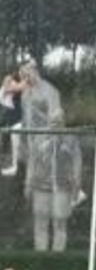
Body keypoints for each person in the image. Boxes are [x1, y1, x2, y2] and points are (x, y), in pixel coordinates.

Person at [20, 61, 83, 252]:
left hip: (61, 181)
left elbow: (76, 161)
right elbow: (25, 121)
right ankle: (41, 254)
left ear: (35, 72)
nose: (25, 78)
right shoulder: (25, 94)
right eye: (23, 76)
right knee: (40, 219)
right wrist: (28, 182)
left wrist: (76, 181)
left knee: (59, 220)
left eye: (27, 74)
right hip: (40, 174)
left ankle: (57, 254)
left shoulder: (50, 92)